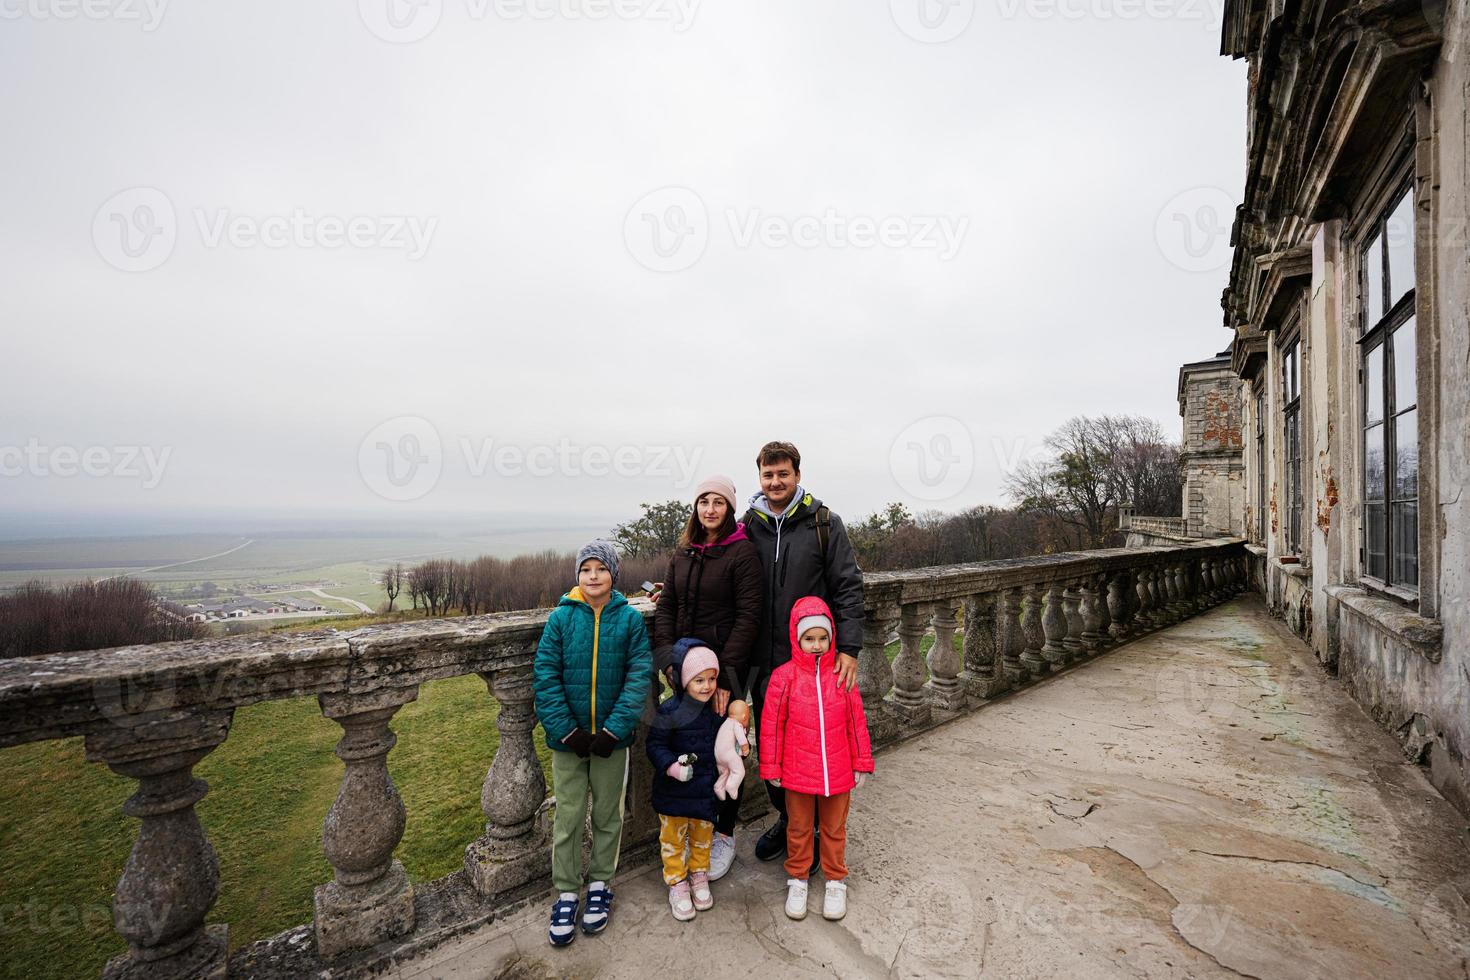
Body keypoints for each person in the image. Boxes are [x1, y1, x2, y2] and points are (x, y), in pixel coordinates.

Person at [742, 441, 865, 863]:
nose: (775, 482)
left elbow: (849, 587)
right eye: (767, 475)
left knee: (814, 748)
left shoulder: (823, 523)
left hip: (813, 665)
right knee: (772, 748)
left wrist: (847, 646)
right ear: (759, 478)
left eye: (783, 474)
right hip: (764, 662)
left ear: (797, 475)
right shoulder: (749, 524)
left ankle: (814, 830)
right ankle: (789, 819)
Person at [532, 540, 653, 947]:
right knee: (567, 817)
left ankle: (600, 885)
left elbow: (639, 678)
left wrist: (614, 731)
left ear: (613, 575)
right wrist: (568, 731)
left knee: (607, 815)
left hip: (611, 742)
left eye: (601, 569)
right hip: (568, 741)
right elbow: (545, 678)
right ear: (577, 576)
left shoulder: (629, 620)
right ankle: (567, 891)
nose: (594, 576)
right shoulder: (561, 620)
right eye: (587, 569)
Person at [651, 474, 763, 879]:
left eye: (718, 502)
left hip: (725, 673)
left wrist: (728, 680)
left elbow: (749, 618)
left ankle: (724, 835)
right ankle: (690, 829)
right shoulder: (683, 553)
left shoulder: (742, 553)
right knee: (688, 747)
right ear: (695, 508)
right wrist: (669, 661)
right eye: (704, 502)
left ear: (730, 508)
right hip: (686, 671)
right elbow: (666, 609)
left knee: (725, 752)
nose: (710, 509)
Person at [760, 596, 874, 921]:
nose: (817, 645)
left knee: (834, 828)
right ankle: (798, 878)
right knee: (798, 828)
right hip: (796, 772)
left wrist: (861, 761)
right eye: (809, 638)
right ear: (797, 639)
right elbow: (771, 725)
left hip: (838, 773)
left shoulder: (841, 673)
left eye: (822, 638)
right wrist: (772, 766)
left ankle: (835, 879)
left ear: (831, 637)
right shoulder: (784, 677)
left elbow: (856, 721)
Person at [646, 638, 724, 920]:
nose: (707, 686)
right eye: (698, 680)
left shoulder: (713, 711)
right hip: (674, 794)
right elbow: (654, 745)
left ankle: (699, 874)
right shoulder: (668, 711)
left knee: (703, 837)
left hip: (703, 792)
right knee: (674, 840)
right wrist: (671, 767)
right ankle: (677, 881)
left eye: (711, 679)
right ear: (682, 681)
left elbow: (722, 740)